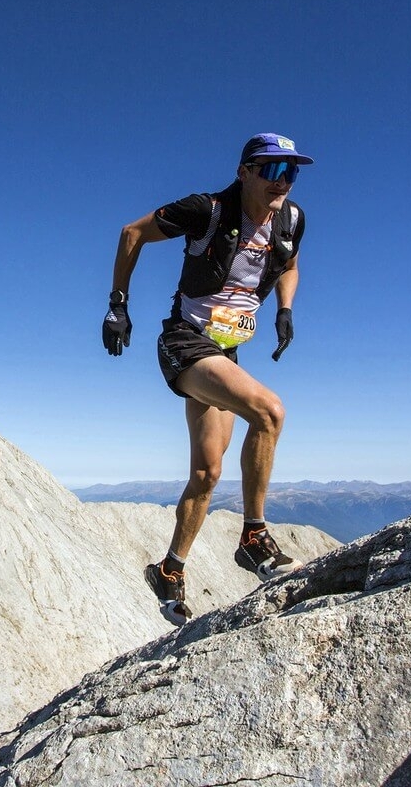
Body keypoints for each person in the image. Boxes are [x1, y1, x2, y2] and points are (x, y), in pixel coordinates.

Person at [102, 132, 312, 625]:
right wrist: (118, 306)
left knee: (207, 473)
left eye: (292, 172)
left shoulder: (293, 219)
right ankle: (254, 539)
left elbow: (291, 263)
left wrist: (285, 309)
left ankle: (168, 570)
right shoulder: (208, 208)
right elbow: (132, 233)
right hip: (185, 342)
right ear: (245, 173)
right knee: (269, 410)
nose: (283, 182)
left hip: (226, 351)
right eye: (273, 170)